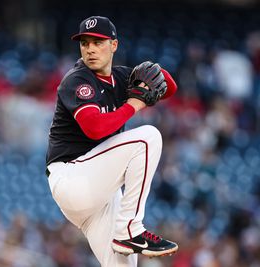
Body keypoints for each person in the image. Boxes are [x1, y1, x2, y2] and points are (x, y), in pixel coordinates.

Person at [45, 16, 178, 267]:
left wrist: (151, 69)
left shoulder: (121, 77)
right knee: (148, 137)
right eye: (85, 43)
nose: (91, 49)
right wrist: (135, 104)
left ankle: (126, 232)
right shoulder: (77, 80)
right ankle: (130, 229)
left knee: (124, 264)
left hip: (99, 192)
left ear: (114, 45)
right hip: (73, 177)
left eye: (98, 42)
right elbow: (95, 129)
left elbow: (169, 89)